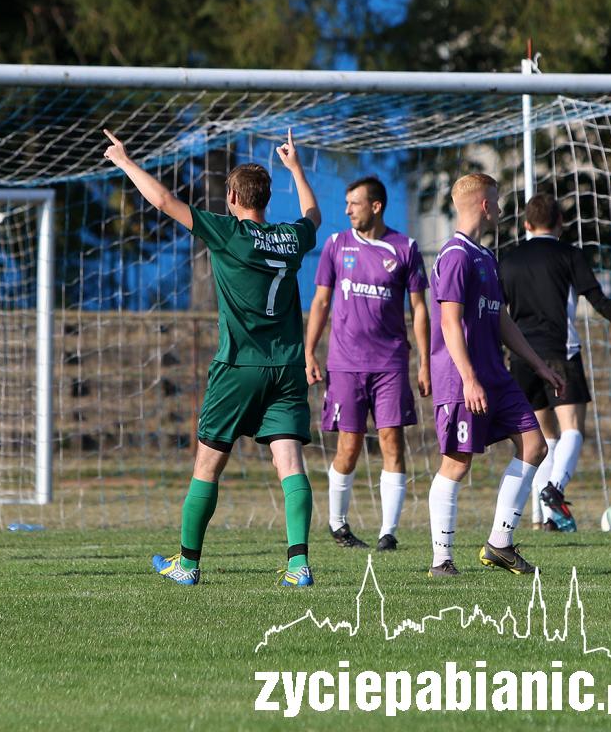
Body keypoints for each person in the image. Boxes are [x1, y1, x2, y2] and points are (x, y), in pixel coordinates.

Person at [103, 128, 322, 588]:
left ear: (233, 198)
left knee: (207, 466)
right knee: (290, 464)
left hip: (239, 366)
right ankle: (299, 565)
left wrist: (124, 161)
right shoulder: (291, 237)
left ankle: (187, 564)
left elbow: (163, 201)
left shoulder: (229, 232)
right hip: (286, 367)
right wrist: (296, 169)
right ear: (265, 198)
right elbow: (312, 215)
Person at [426, 173, 565, 579]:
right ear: (485, 205)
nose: (502, 209)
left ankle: (499, 544)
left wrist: (538, 365)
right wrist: (469, 378)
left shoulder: (485, 256)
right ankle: (441, 560)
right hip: (462, 379)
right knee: (457, 463)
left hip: (496, 376)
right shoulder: (455, 255)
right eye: (498, 201)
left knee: (534, 446)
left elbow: (500, 318)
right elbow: (449, 323)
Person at [500, 192, 611, 532]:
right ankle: (555, 490)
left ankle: (548, 519)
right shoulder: (569, 254)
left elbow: (498, 314)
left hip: (522, 357)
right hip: (560, 353)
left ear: (526, 225)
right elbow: (597, 300)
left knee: (543, 437)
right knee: (572, 428)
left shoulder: (508, 261)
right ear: (560, 222)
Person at [305, 176, 430, 552]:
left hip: (390, 363)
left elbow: (419, 309)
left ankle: (388, 534)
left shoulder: (405, 248)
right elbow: (321, 302)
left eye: (354, 203)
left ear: (376, 206)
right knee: (349, 446)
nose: (347, 211)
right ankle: (338, 524)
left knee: (393, 442)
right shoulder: (336, 245)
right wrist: (309, 351)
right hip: (345, 364)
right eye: (346, 203)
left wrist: (425, 361)